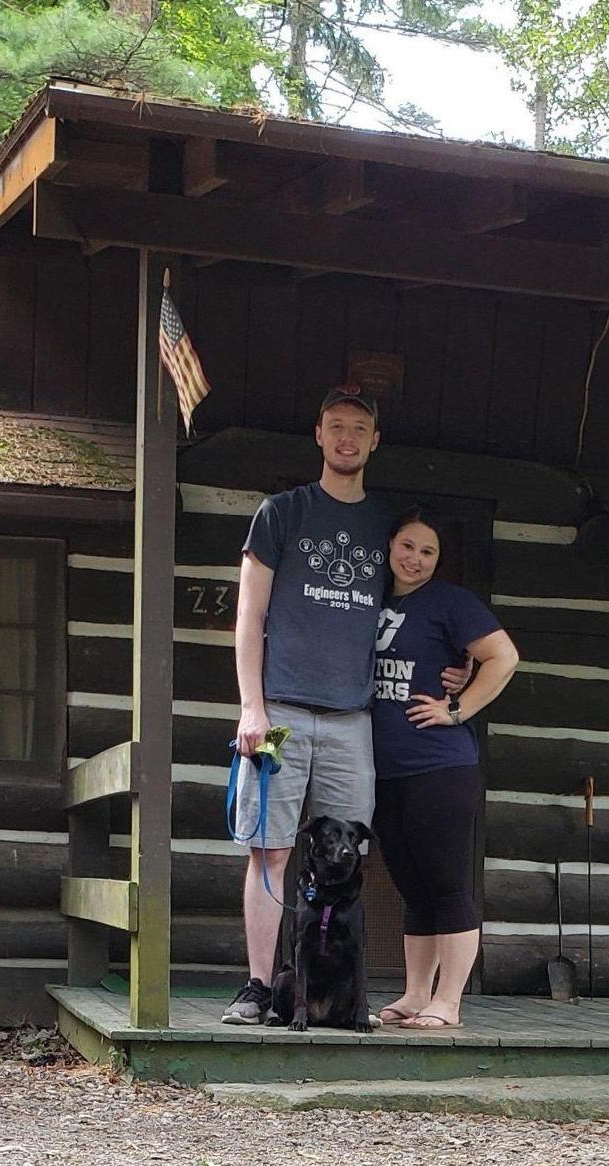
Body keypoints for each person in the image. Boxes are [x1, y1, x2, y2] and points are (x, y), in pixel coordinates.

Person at [222, 384, 391, 1025]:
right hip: (281, 712)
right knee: (269, 849)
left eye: (359, 428)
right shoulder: (282, 513)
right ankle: (260, 987)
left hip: (352, 718)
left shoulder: (384, 525)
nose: (347, 438)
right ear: (319, 435)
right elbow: (249, 615)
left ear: (374, 441)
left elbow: (410, 607)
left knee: (348, 852)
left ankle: (343, 998)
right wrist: (251, 707)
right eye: (336, 426)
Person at [371, 505, 519, 1030]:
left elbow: (504, 656)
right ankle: (416, 994)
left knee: (447, 882)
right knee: (411, 884)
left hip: (440, 765)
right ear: (390, 546)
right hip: (385, 769)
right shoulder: (370, 599)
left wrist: (457, 708)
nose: (415, 558)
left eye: (428, 551)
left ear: (439, 559)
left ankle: (449, 1001)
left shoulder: (451, 602)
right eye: (407, 546)